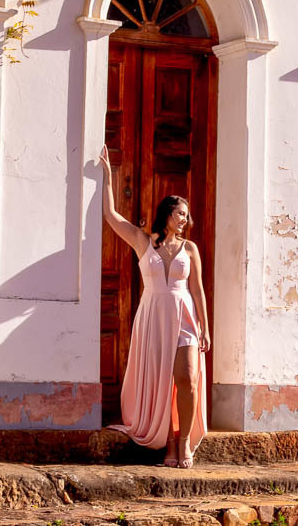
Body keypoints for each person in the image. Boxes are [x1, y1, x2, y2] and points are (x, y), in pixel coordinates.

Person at [99, 146, 210, 468]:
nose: (186, 220)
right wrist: (108, 177)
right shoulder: (143, 241)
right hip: (153, 315)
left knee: (188, 378)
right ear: (167, 214)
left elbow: (198, 289)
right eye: (181, 214)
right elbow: (111, 216)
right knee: (161, 379)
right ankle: (166, 442)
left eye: (187, 216)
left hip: (185, 315)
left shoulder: (191, 248)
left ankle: (183, 442)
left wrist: (204, 327)